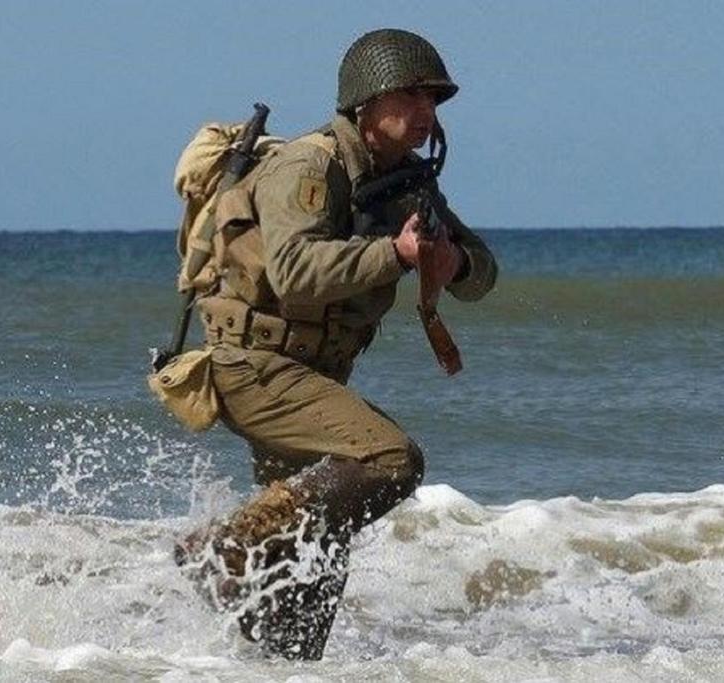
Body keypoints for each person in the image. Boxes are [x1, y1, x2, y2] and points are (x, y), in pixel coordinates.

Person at [175, 28, 497, 660]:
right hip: (253, 364)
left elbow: (484, 271)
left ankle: (269, 662)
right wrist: (395, 253)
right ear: (367, 101)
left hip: (311, 378)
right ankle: (226, 547)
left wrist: (449, 261)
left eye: (435, 99)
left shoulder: (407, 181)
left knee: (308, 575)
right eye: (413, 95)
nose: (428, 112)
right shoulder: (308, 166)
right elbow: (294, 271)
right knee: (392, 460)